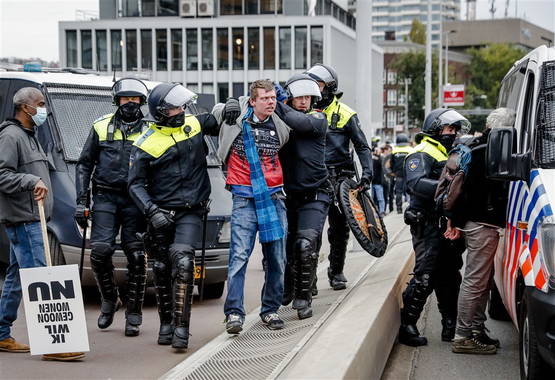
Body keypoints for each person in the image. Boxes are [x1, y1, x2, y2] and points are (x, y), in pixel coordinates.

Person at [128, 83, 218, 349]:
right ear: (162, 112)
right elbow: (134, 184)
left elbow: (218, 120)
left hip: (191, 209)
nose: (182, 110)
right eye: (176, 107)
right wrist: (152, 211)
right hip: (160, 214)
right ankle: (166, 322)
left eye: (182, 105)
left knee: (183, 262)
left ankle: (181, 328)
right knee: (161, 268)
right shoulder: (144, 143)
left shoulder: (194, 123)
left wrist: (231, 108)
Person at [0, 87, 83, 361]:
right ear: (26, 108)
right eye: (41, 104)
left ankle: (1, 334)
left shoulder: (29, 136)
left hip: (31, 217)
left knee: (16, 278)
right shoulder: (11, 136)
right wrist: (29, 181)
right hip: (25, 219)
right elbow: (2, 174)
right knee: (40, 279)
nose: (44, 109)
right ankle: (53, 344)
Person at [75, 78, 149, 337]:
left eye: (135, 99)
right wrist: (81, 201)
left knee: (137, 256)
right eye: (125, 99)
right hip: (105, 197)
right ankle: (109, 300)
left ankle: (134, 313)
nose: (130, 104)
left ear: (142, 102)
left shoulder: (150, 130)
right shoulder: (100, 125)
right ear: (117, 101)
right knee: (100, 252)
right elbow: (84, 164)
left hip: (135, 199)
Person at [399, 108, 469, 347]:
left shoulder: (451, 152)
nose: (454, 133)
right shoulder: (421, 153)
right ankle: (408, 326)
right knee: (425, 274)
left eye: (456, 130)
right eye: (450, 128)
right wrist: (449, 188)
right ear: (436, 129)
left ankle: (450, 326)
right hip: (427, 222)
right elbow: (416, 183)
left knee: (450, 275)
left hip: (447, 223)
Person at [447, 108, 514, 354]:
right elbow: (470, 193)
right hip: (481, 224)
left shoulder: (478, 146)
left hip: (475, 222)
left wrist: (454, 220)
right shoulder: (488, 152)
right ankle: (463, 336)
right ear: (504, 130)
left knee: (482, 280)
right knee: (475, 281)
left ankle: (477, 331)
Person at [305, 63, 373, 291]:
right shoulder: (303, 111)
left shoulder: (346, 114)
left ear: (329, 88)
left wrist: (367, 174)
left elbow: (362, 146)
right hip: (313, 179)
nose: (313, 89)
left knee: (340, 230)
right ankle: (309, 279)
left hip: (340, 179)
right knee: (311, 233)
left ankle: (336, 273)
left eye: (318, 84)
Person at [279, 74, 330, 319]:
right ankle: (288, 287)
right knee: (287, 248)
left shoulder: (318, 118)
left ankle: (304, 296)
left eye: (308, 97)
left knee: (305, 244)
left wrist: (277, 101)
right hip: (288, 195)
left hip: (316, 194)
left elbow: (298, 122)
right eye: (299, 97)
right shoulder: (279, 118)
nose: (304, 101)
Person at [390, 133, 413, 213]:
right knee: (410, 190)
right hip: (408, 174)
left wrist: (393, 172)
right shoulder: (410, 150)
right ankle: (411, 207)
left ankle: (399, 209)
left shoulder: (394, 151)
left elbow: (391, 164)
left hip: (398, 174)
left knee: (398, 191)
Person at [371, 148, 386, 216]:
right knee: (372, 199)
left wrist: (378, 156)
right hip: (371, 183)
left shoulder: (380, 159)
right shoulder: (371, 159)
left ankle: (382, 212)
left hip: (378, 182)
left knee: (380, 198)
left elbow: (382, 164)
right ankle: (374, 213)